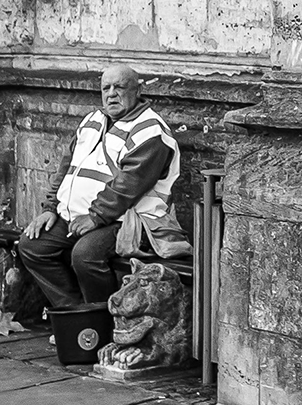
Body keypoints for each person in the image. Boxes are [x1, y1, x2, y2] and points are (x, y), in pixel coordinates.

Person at [18, 65, 184, 308]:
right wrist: (50, 207)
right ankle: (75, 315)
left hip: (128, 221)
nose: (112, 94)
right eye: (106, 88)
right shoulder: (92, 120)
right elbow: (67, 167)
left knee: (85, 255)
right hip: (78, 214)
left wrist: (95, 217)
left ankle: (104, 322)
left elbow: (128, 186)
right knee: (32, 246)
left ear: (137, 91)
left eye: (120, 87)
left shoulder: (150, 131)